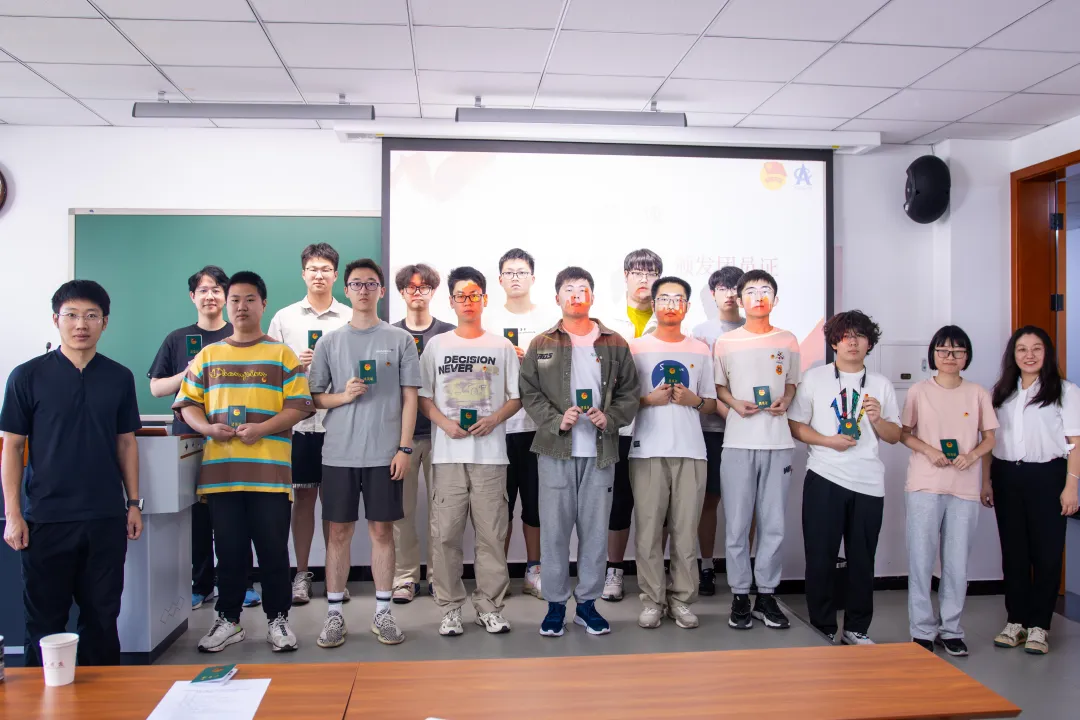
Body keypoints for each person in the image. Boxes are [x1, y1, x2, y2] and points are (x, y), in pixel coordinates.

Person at [1, 280, 142, 666]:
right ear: (56, 320)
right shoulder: (26, 376)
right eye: (72, 315)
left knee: (102, 619)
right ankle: (41, 695)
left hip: (104, 517)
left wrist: (133, 503)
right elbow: (12, 447)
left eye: (91, 316)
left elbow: (126, 443)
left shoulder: (119, 377)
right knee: (44, 623)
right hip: (47, 519)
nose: (81, 324)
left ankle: (103, 696)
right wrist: (13, 514)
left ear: (104, 322)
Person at [174, 271, 314, 654]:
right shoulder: (208, 355)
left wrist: (263, 429)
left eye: (250, 299)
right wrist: (208, 428)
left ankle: (278, 620)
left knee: (273, 551)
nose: (241, 306)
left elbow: (299, 406)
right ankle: (229, 620)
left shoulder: (281, 354)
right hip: (222, 474)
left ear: (263, 304)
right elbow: (187, 404)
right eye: (234, 299)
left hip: (270, 474)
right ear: (226, 304)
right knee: (230, 552)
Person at [520, 267, 640, 637]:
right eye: (568, 289)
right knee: (554, 532)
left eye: (582, 289)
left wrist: (611, 418)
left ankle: (587, 605)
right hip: (555, 450)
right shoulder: (542, 343)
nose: (576, 295)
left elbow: (630, 392)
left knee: (595, 533)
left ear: (592, 297)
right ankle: (555, 605)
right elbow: (529, 391)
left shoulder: (615, 342)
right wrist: (556, 419)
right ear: (557, 298)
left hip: (600, 452)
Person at [310, 258, 420, 647]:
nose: (363, 290)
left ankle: (383, 613)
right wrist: (343, 396)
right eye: (356, 284)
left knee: (382, 531)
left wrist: (404, 447)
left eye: (371, 284)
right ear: (346, 290)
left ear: (382, 291)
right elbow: (314, 398)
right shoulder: (329, 342)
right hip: (338, 454)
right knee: (338, 532)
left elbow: (410, 398)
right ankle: (334, 615)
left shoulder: (400, 340)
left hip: (384, 455)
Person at [788, 311, 901, 645]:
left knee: (862, 561)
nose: (853, 342)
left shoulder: (881, 383)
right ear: (834, 342)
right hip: (825, 476)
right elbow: (795, 425)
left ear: (870, 343)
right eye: (846, 335)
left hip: (868, 482)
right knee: (820, 558)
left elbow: (894, 435)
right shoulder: (814, 378)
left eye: (860, 336)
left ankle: (856, 628)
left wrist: (878, 420)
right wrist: (827, 441)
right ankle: (822, 626)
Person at [418, 267, 521, 636]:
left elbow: (516, 397)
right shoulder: (437, 346)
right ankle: (450, 608)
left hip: (491, 457)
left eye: (475, 294)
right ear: (451, 301)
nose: (468, 301)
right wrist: (445, 424)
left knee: (492, 536)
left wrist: (493, 419)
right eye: (461, 295)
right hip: (448, 456)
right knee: (445, 535)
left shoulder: (501, 347)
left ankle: (489, 606)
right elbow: (424, 397)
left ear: (485, 299)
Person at [900, 325, 997, 657]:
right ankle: (921, 630)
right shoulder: (919, 391)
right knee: (921, 560)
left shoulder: (978, 393)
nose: (950, 356)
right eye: (943, 350)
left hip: (964, 488)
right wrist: (930, 450)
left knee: (957, 564)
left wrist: (972, 456)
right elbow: (904, 433)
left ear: (966, 356)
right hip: (924, 485)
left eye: (957, 351)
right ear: (933, 355)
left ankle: (951, 630)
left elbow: (990, 438)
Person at [147, 265, 239, 610]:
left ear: (226, 296)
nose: (210, 296)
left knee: (234, 511)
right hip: (188, 436)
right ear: (192, 297)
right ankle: (201, 585)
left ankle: (240, 584)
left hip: (233, 435)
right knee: (196, 517)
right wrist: (189, 372)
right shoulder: (177, 339)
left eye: (216, 290)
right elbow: (157, 388)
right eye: (203, 290)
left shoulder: (239, 334)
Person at [714, 269, 800, 630]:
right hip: (738, 442)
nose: (759, 297)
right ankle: (739, 595)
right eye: (751, 291)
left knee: (773, 523)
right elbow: (719, 388)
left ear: (775, 299)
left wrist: (786, 400)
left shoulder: (788, 339)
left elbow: (792, 383)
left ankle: (766, 594)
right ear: (740, 299)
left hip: (778, 443)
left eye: (766, 291)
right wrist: (735, 403)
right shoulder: (726, 342)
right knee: (736, 524)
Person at [629, 276, 716, 630]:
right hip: (647, 450)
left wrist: (694, 400)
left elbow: (710, 403)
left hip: (691, 451)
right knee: (649, 531)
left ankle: (681, 600)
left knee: (685, 531)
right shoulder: (635, 348)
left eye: (677, 299)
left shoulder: (700, 350)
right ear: (653, 304)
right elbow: (622, 400)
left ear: (687, 307)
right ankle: (652, 601)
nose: (670, 305)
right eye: (663, 298)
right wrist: (647, 399)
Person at [266, 243, 351, 606]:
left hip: (338, 424)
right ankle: (302, 574)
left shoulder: (350, 316)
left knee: (336, 503)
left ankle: (336, 575)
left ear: (336, 275)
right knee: (302, 499)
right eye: (313, 269)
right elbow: (268, 372)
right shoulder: (284, 318)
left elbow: (360, 367)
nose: (319, 275)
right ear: (303, 274)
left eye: (325, 269)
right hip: (299, 425)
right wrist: (294, 365)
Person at [987, 326, 1079, 656]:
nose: (1029, 355)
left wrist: (1071, 486)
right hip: (1007, 476)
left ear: (1047, 353)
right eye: (1022, 349)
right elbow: (989, 440)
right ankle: (1016, 621)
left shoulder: (1065, 391)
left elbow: (1075, 443)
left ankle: (1040, 625)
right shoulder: (1001, 392)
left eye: (1036, 348)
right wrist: (986, 481)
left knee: (1047, 553)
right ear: (1013, 355)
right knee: (1014, 552)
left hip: (1048, 476)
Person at [484, 248, 553, 599]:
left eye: (521, 272)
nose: (515, 277)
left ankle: (533, 571)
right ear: (500, 280)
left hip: (537, 427)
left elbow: (560, 368)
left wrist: (533, 360)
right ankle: (497, 575)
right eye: (509, 272)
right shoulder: (487, 320)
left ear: (532, 278)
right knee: (500, 507)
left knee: (536, 504)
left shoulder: (549, 320)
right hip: (498, 427)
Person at [391, 263, 455, 603]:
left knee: (441, 511)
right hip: (400, 438)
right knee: (401, 513)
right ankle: (405, 577)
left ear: (433, 291)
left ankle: (439, 577)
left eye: (424, 287)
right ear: (402, 292)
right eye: (411, 287)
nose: (418, 292)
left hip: (441, 435)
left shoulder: (449, 334)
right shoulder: (389, 334)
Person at [604, 248, 662, 602]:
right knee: (619, 500)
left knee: (657, 505)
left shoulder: (671, 319)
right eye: (638, 272)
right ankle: (614, 571)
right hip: (620, 427)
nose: (644, 279)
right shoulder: (606, 322)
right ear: (625, 276)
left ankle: (654, 574)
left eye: (651, 273)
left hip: (659, 426)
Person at [691, 265, 745, 596]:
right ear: (712, 294)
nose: (730, 294)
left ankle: (744, 568)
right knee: (709, 499)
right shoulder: (701, 332)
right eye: (723, 288)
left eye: (736, 288)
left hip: (748, 431)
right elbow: (701, 380)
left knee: (745, 504)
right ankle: (707, 565)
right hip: (710, 429)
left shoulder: (754, 329)